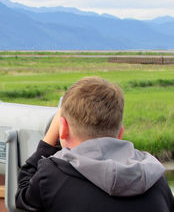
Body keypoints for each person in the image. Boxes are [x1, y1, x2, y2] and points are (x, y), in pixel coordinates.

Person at [16, 76, 173, 212]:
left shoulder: (52, 176)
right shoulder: (155, 177)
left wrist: (49, 139)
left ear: (62, 129)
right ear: (120, 134)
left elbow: (22, 198)